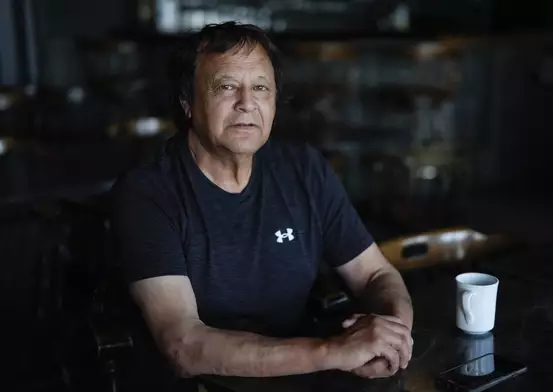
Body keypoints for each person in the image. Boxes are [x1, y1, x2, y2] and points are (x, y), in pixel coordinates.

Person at [112, 21, 413, 390]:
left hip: (299, 378)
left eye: (260, 88)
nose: (247, 103)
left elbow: (375, 276)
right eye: (226, 87)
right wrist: (332, 351)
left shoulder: (304, 170)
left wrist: (393, 338)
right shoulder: (148, 192)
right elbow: (183, 345)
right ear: (187, 102)